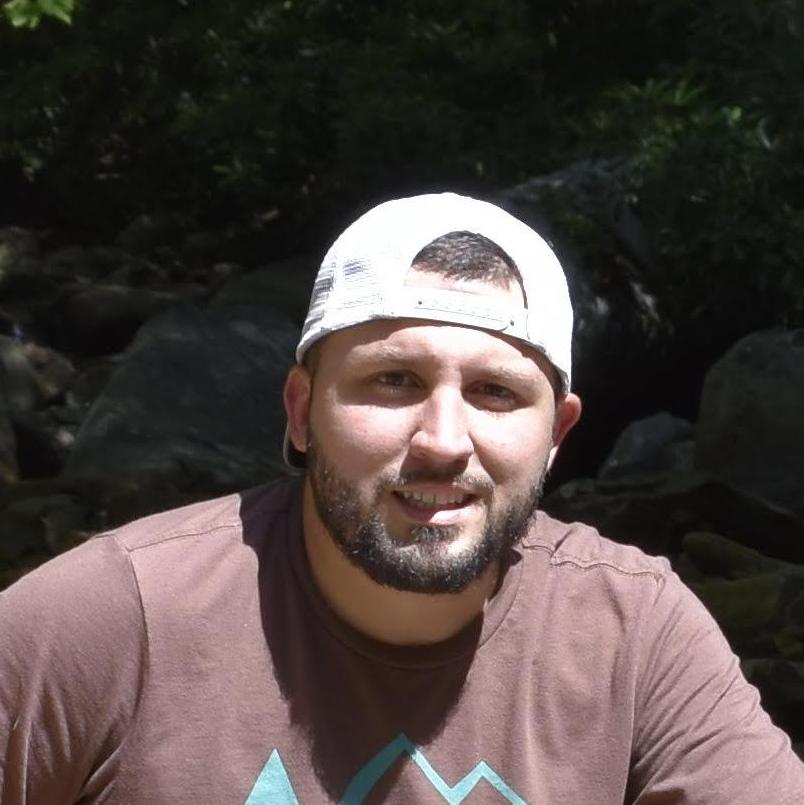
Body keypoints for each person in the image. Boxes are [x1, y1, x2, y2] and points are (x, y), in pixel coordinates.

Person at [1, 193, 802, 804]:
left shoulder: (634, 634)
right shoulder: (111, 620)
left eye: (495, 392)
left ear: (558, 434)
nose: (444, 440)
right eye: (394, 380)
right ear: (300, 410)